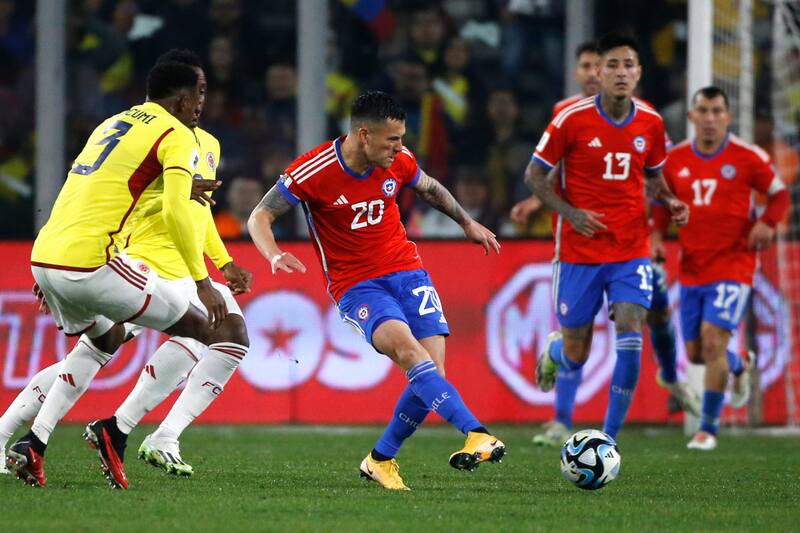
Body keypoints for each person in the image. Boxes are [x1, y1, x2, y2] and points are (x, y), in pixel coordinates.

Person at [5, 59, 248, 489]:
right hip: (122, 262)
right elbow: (176, 210)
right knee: (203, 328)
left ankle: (28, 441)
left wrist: (51, 262)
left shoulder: (114, 123)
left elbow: (89, 187)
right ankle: (121, 431)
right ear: (181, 98)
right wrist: (203, 281)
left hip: (50, 253)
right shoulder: (176, 134)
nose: (202, 103)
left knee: (101, 344)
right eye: (199, 93)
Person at [248, 91, 505, 491]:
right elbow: (261, 214)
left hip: (408, 272)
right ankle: (475, 432)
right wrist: (273, 253)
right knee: (409, 353)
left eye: (402, 138)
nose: (400, 148)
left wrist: (467, 223)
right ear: (363, 135)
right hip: (357, 285)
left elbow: (431, 188)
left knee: (432, 375)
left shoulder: (397, 162)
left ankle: (380, 460)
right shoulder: (313, 170)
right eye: (392, 139)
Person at [516, 40, 695, 447]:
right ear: (599, 73)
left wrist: (670, 200)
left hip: (630, 249)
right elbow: (533, 176)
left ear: (638, 72)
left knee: (631, 335)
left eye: (627, 65)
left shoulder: (650, 122)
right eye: (611, 65)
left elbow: (653, 176)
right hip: (580, 251)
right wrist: (570, 212)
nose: (618, 72)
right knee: (577, 352)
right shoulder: (569, 119)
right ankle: (555, 352)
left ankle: (608, 441)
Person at [655, 86, 789, 450]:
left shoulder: (749, 157)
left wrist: (768, 223)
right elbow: (661, 205)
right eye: (704, 110)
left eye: (717, 111)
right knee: (699, 354)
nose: (710, 118)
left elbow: (780, 195)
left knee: (713, 341)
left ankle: (707, 429)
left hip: (735, 262)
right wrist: (654, 236)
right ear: (692, 116)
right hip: (693, 266)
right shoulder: (675, 159)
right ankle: (740, 362)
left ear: (728, 117)